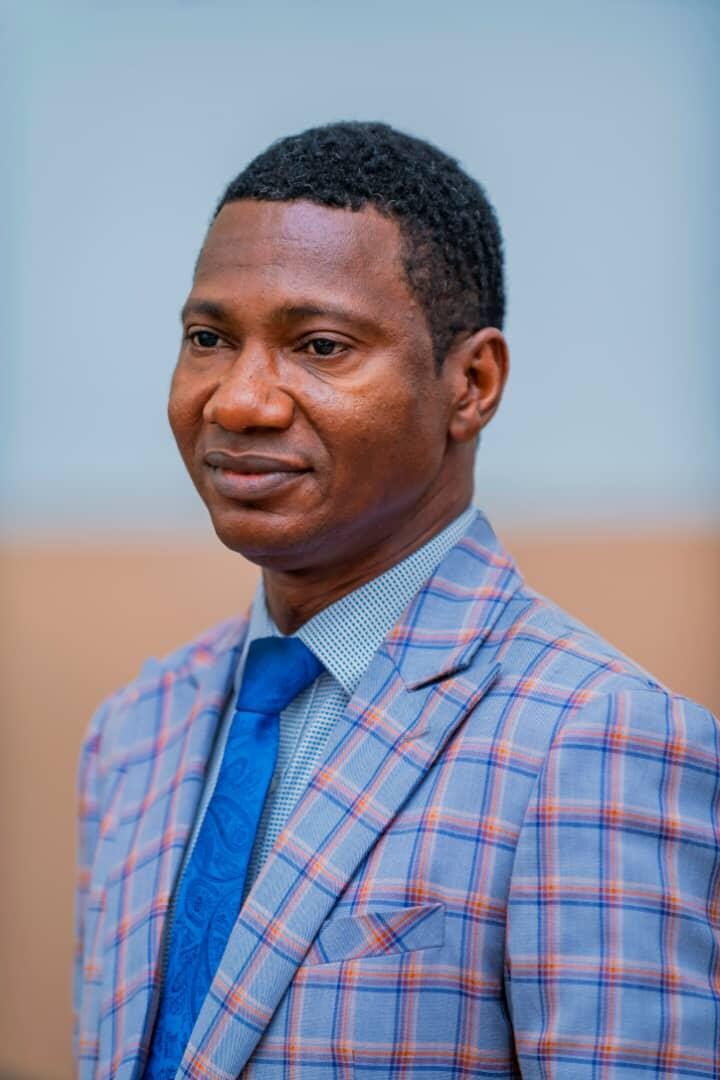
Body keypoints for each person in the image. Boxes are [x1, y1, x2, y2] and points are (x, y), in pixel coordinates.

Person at [74, 122, 719, 1080]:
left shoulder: (594, 739)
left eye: (320, 345)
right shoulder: (135, 731)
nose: (239, 401)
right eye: (209, 339)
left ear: (472, 384)